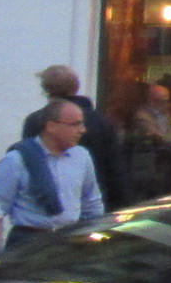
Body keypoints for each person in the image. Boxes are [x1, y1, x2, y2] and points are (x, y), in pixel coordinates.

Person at [0, 100, 107, 257]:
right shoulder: (18, 159)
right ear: (51, 126)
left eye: (82, 124)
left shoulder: (81, 156)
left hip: (69, 241)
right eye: (75, 124)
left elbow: (91, 202)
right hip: (28, 242)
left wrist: (96, 236)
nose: (82, 130)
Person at [20, 64, 124, 211]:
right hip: (94, 202)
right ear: (76, 86)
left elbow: (28, 163)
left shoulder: (35, 121)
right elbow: (114, 169)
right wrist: (120, 206)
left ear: (46, 90)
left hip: (47, 206)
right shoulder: (101, 122)